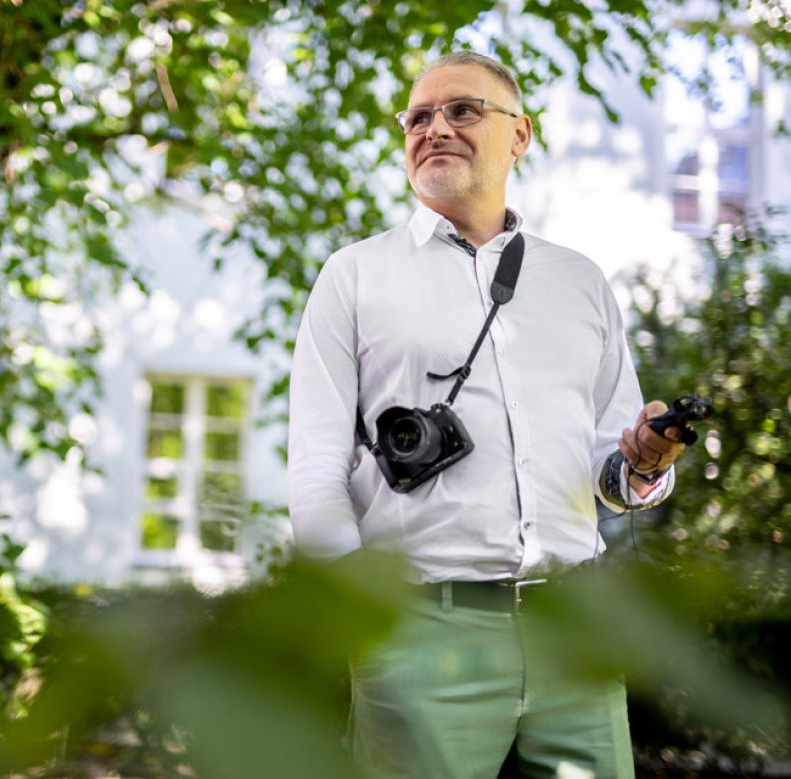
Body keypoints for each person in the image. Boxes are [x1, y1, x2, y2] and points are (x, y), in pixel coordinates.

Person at [287, 51, 689, 778]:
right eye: (418, 116)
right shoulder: (354, 275)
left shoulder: (580, 282)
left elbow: (611, 475)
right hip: (421, 635)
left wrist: (642, 466)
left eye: (462, 109)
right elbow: (315, 469)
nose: (434, 127)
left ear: (520, 134)